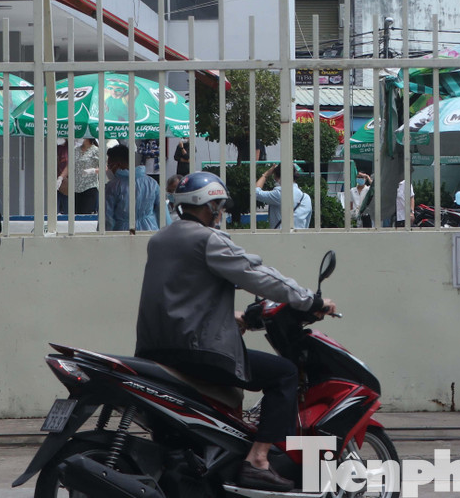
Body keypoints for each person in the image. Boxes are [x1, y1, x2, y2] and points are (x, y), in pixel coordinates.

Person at [136, 172, 336, 492]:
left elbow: (184, 296)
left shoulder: (161, 239)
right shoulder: (208, 240)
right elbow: (257, 275)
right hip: (197, 351)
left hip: (155, 350)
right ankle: (257, 460)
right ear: (208, 204)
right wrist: (311, 299)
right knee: (284, 374)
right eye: (219, 206)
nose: (221, 212)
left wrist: (235, 318)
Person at [106, 144, 161, 231]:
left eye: (109, 165)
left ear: (117, 165)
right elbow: (163, 214)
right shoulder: (152, 183)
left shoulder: (112, 186)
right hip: (150, 231)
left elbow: (107, 219)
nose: (108, 169)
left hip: (122, 234)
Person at [255, 164, 312, 229]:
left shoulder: (279, 194)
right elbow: (306, 223)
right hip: (300, 237)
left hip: (281, 237)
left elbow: (255, 193)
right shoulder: (306, 198)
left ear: (276, 176)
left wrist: (265, 175)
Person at [70, 137, 103, 215]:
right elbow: (70, 165)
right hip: (76, 187)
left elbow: (105, 167)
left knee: (85, 213)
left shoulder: (96, 150)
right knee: (76, 214)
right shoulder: (76, 150)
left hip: (90, 186)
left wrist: (94, 170)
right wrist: (61, 177)